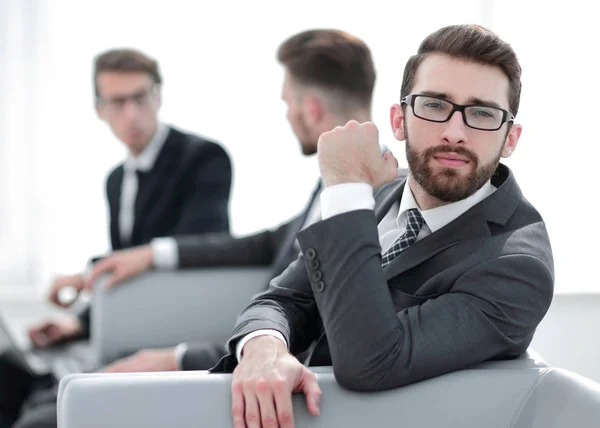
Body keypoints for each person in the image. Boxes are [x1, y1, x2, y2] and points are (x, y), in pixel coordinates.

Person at [9, 29, 378, 428]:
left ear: (312, 109)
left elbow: (316, 333)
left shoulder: (361, 205)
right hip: (237, 357)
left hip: (249, 377)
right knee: (24, 383)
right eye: (117, 102)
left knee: (45, 414)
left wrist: (177, 357)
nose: (286, 115)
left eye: (286, 102)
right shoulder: (330, 192)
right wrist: (147, 257)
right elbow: (260, 244)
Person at [217, 24, 554, 428]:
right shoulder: (379, 196)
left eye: (482, 113)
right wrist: (264, 347)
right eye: (434, 105)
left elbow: (372, 360)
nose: (454, 132)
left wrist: (345, 187)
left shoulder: (518, 266)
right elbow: (281, 300)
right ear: (399, 120)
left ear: (510, 139)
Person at [0, 48, 232, 428]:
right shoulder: (116, 180)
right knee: (10, 376)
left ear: (158, 95)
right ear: (99, 109)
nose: (131, 114)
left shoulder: (204, 158)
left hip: (172, 332)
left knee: (39, 416)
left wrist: (86, 274)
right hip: (126, 330)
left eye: (140, 98)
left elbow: (191, 246)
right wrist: (80, 323)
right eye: (118, 102)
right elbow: (126, 264)